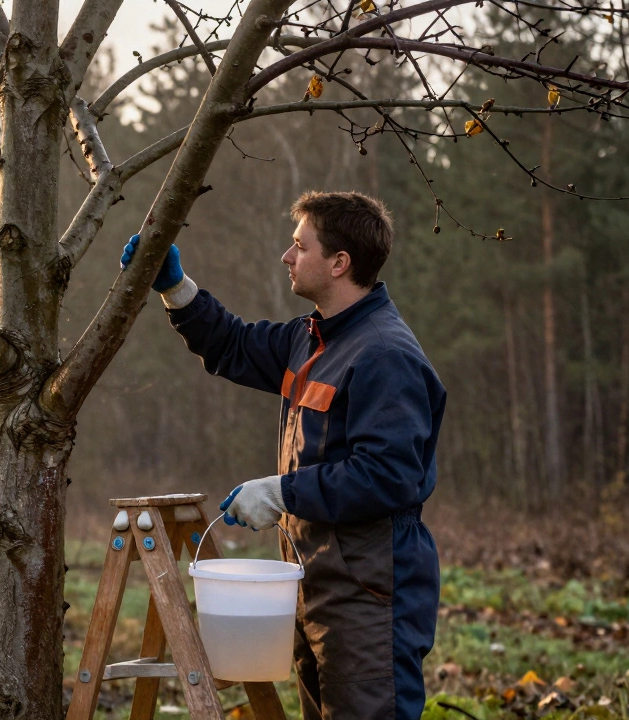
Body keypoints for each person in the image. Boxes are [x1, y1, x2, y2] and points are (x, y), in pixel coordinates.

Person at [120, 191, 445, 720]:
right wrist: (176, 289)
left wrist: (280, 492)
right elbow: (233, 345)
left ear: (339, 263)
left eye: (300, 246)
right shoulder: (312, 339)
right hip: (312, 579)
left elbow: (389, 475)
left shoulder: (385, 355)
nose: (286, 257)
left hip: (369, 590)